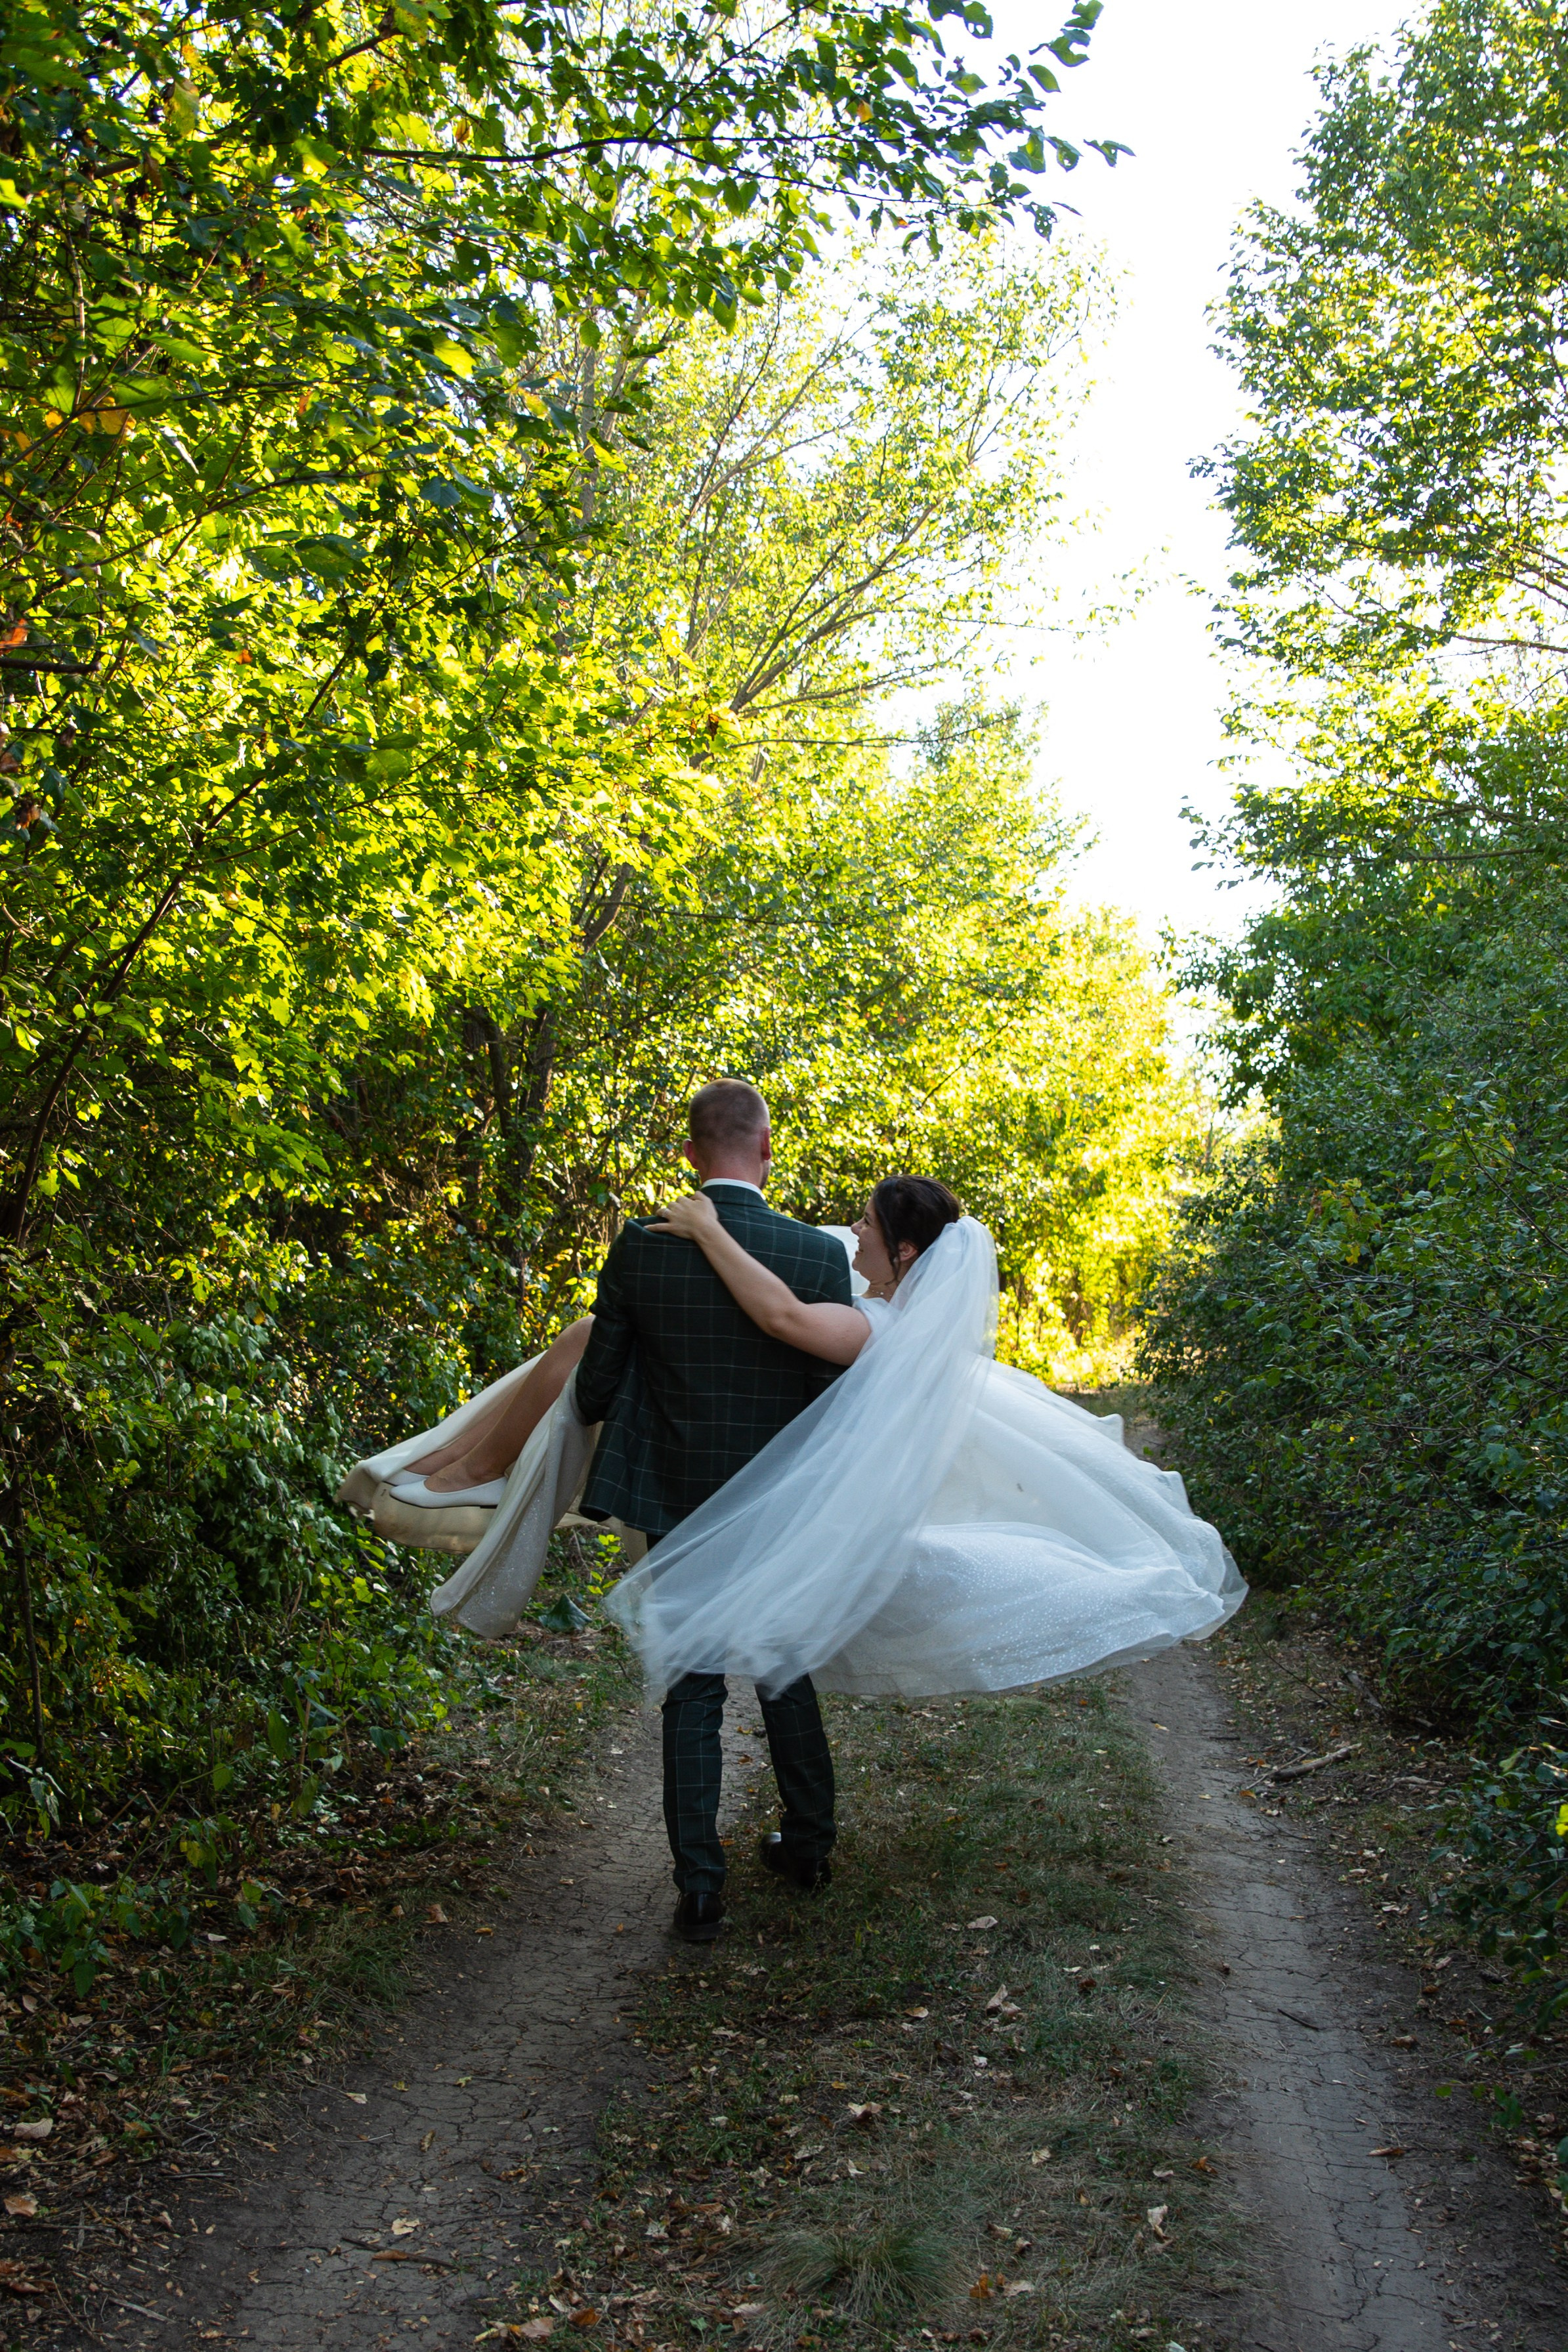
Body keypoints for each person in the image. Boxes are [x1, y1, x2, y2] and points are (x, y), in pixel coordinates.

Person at [572, 1079, 854, 1946]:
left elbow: (594, 1391)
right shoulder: (816, 1254)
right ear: (766, 1148)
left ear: (690, 1153)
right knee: (783, 1666)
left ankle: (699, 1888)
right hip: (779, 1504)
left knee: (691, 1684)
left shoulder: (639, 1248)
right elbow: (835, 1405)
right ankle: (808, 1849)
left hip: (677, 1497)